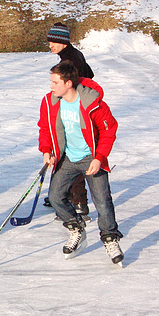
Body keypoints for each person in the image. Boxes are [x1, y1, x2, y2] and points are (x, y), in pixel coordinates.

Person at [38, 60, 124, 264]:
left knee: (103, 202)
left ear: (68, 83)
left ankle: (110, 238)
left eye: (55, 82)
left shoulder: (92, 102)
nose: (51, 86)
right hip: (67, 157)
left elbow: (108, 130)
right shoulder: (50, 102)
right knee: (56, 197)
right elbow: (45, 128)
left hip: (91, 158)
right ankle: (76, 228)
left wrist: (99, 157)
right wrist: (47, 150)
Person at [45, 22, 94, 220]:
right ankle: (61, 194)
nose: (50, 44)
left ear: (63, 41)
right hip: (73, 108)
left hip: (76, 112)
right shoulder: (71, 55)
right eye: (49, 41)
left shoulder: (71, 60)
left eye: (54, 41)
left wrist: (77, 100)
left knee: (71, 154)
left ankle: (78, 202)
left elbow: (85, 79)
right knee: (66, 152)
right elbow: (89, 74)